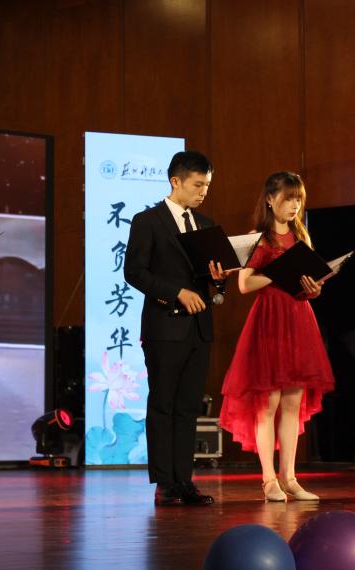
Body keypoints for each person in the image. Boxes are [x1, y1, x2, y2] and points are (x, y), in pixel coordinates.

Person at [219, 172, 335, 502]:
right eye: (288, 198)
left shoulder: (301, 237)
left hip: (298, 319)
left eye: (299, 199)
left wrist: (313, 288)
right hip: (269, 321)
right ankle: (269, 479)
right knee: (267, 403)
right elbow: (244, 284)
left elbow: (306, 285)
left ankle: (290, 477)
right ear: (270, 200)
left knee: (293, 403)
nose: (295, 205)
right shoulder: (259, 239)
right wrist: (278, 272)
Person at [124, 150, 227, 506]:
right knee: (163, 404)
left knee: (188, 407)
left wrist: (220, 279)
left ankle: (185, 481)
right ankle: (165, 483)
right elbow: (134, 272)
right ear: (176, 181)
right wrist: (176, 292)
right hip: (164, 325)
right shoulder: (147, 221)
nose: (203, 192)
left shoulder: (206, 224)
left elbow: (216, 280)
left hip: (199, 327)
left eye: (207, 185)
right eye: (198, 185)